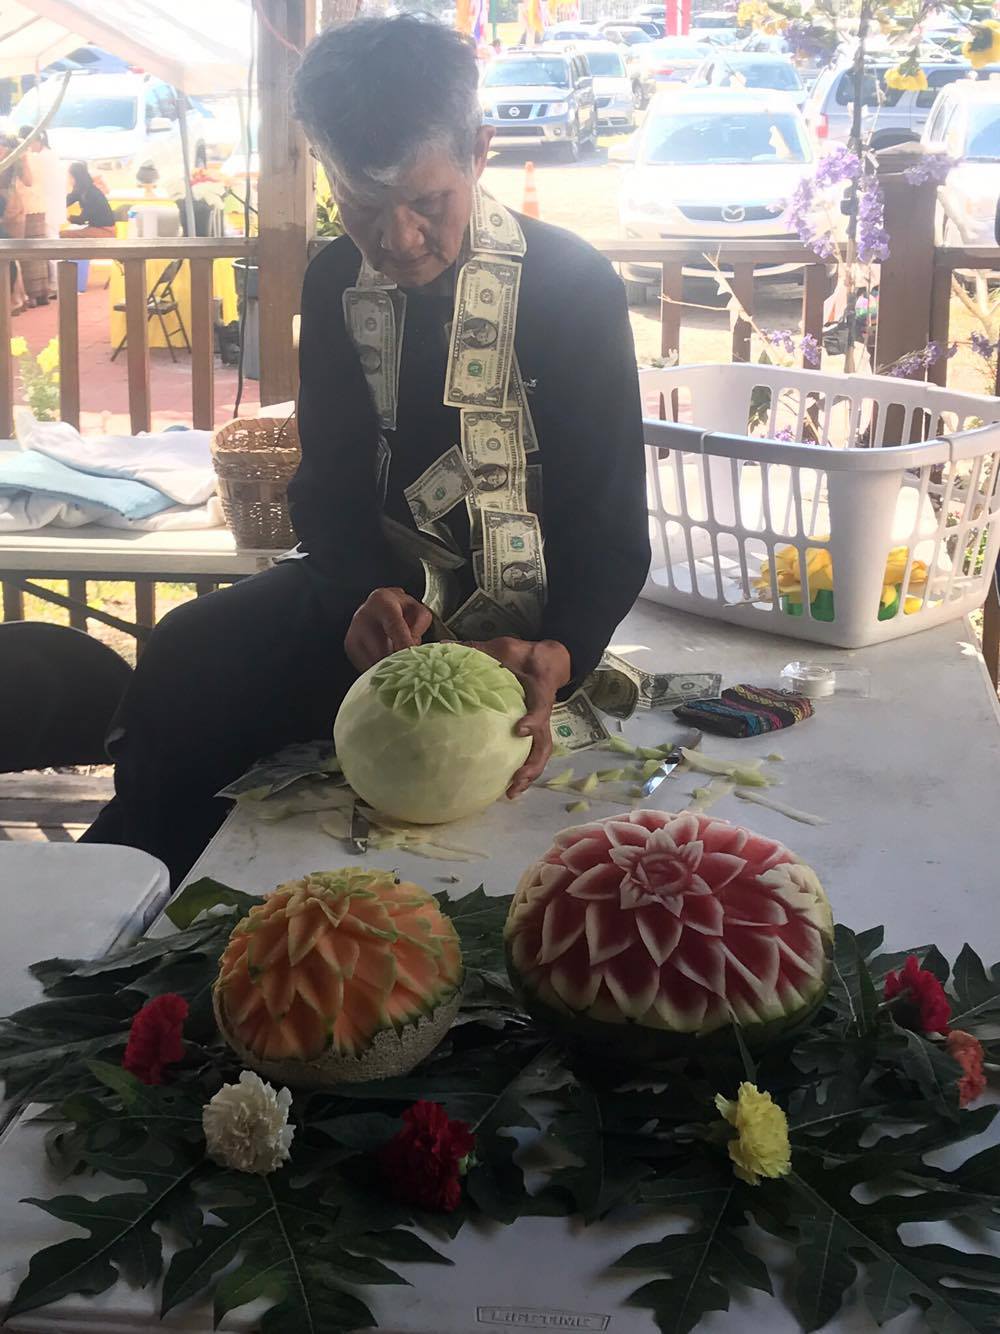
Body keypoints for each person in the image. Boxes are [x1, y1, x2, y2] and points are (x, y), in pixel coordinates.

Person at [84, 15, 650, 884]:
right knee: (189, 653)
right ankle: (137, 892)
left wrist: (564, 648)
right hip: (376, 618)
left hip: (526, 637)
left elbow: (611, 523)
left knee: (421, 757)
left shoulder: (571, 286)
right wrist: (362, 592)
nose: (398, 239)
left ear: (479, 152)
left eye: (429, 203)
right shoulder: (333, 282)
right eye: (360, 206)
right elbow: (329, 490)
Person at [20, 128, 65, 299]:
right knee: (52, 243)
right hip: (50, 206)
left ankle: (57, 284)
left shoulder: (41, 158)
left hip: (46, 207)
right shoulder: (49, 155)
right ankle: (55, 284)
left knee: (52, 245)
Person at [0, 135, 31, 313]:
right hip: (8, 205)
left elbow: (28, 181)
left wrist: (23, 159)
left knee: (11, 254)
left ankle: (16, 299)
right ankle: (16, 298)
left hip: (11, 208)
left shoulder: (15, 157)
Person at [62, 161, 114, 237]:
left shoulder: (90, 194)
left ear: (75, 177)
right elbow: (65, 201)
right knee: (64, 233)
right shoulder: (82, 190)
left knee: (62, 235)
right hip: (96, 228)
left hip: (105, 230)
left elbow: (82, 219)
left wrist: (67, 217)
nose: (68, 180)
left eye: (69, 177)